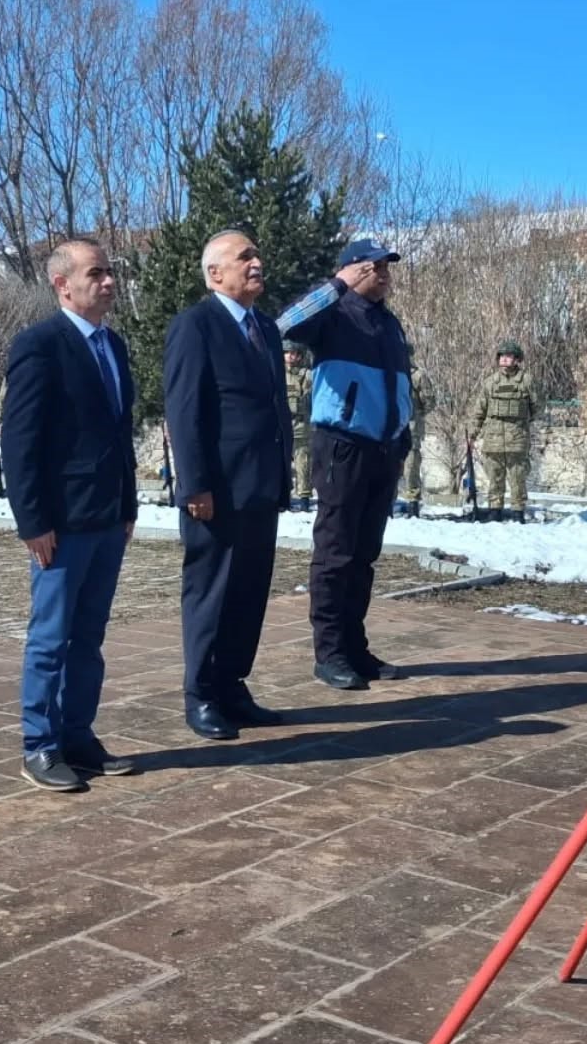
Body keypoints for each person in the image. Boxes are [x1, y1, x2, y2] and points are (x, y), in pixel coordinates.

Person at [2, 240, 138, 792]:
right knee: (51, 638)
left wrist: (128, 505)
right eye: (96, 273)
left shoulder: (113, 344)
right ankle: (39, 745)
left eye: (110, 272)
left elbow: (119, 434)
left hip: (107, 518)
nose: (108, 281)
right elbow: (20, 440)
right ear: (62, 284)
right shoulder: (40, 345)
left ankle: (78, 736)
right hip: (61, 523)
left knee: (89, 637)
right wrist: (33, 522)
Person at [165, 229, 290, 740]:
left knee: (249, 592)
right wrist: (194, 485)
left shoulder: (266, 328)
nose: (256, 263)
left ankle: (232, 684)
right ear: (215, 273)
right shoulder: (196, 325)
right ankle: (200, 693)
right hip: (216, 491)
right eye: (245, 257)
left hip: (261, 486)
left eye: (257, 254)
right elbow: (184, 409)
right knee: (211, 592)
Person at [279, 237, 413, 691]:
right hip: (343, 447)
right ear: (354, 269)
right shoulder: (333, 315)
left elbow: (399, 386)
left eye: (387, 267)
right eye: (375, 267)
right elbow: (286, 325)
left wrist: (403, 435)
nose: (385, 274)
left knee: (364, 555)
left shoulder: (388, 322)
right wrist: (336, 285)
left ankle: (356, 647)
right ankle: (330, 652)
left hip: (384, 449)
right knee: (335, 554)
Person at [469, 339, 537, 522]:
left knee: (518, 479)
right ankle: (495, 511)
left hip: (517, 439)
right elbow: (479, 411)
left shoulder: (527, 381)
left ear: (517, 359)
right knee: (495, 478)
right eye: (502, 356)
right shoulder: (490, 383)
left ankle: (518, 512)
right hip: (494, 439)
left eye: (509, 356)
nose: (505, 359)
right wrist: (472, 435)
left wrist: (522, 422)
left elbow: (537, 406)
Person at [397, 348, 434, 517]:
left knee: (411, 466)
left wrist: (417, 415)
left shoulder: (418, 376)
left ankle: (413, 503)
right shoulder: (391, 372)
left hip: (412, 427)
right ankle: (389, 502)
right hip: (393, 427)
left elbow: (429, 401)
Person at [284, 341, 313, 513]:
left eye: (294, 353)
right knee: (281, 464)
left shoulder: (306, 375)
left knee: (303, 462)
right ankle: (284, 497)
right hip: (282, 426)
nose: (290, 356)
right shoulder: (277, 373)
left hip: (301, 425)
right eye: (288, 352)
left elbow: (308, 398)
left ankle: (304, 498)